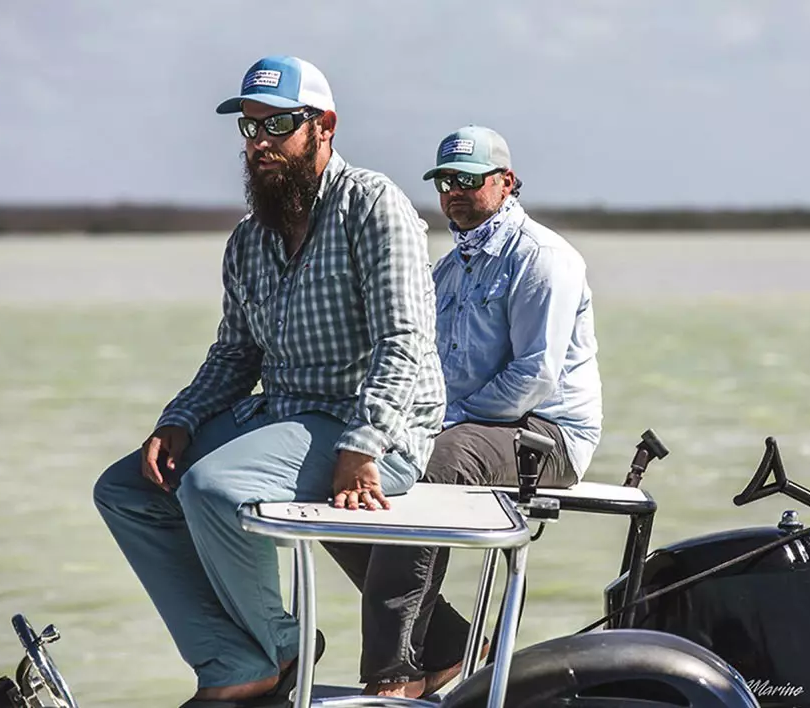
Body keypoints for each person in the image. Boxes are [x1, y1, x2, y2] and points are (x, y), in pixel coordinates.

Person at [92, 55, 445, 708]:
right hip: (286, 412)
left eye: (277, 125)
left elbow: (408, 342)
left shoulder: (374, 206)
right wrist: (179, 420)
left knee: (213, 488)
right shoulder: (249, 239)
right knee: (125, 489)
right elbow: (234, 355)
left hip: (374, 426)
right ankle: (234, 661)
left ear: (324, 127)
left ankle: (282, 649)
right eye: (249, 128)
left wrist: (364, 445)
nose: (259, 144)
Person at [324, 125, 603, 698]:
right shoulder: (445, 270)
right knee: (344, 477)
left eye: (468, 180)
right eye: (445, 180)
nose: (453, 191)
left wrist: (441, 426)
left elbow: (535, 375)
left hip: (547, 434)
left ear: (506, 182)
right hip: (461, 427)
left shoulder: (545, 257)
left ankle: (393, 674)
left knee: (435, 464)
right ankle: (451, 646)